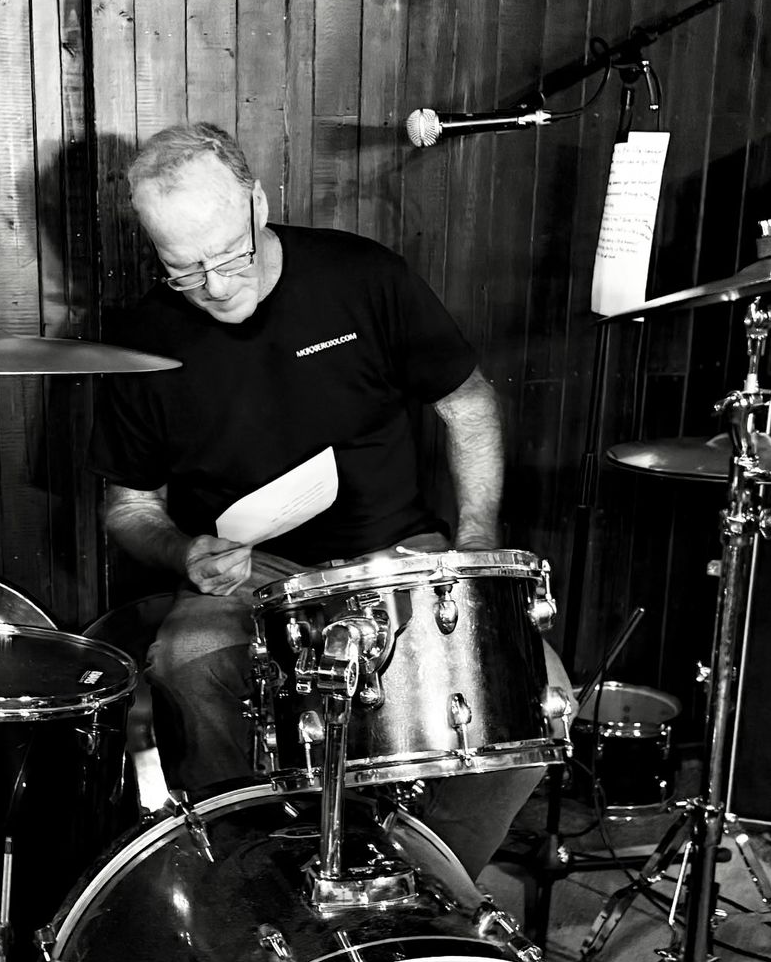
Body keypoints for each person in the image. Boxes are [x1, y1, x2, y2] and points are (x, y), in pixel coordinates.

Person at [89, 121, 566, 881]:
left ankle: (422, 889)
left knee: (536, 702)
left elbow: (468, 404)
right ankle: (257, 884)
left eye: (231, 255)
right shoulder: (141, 341)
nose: (217, 286)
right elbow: (130, 506)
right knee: (185, 663)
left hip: (396, 557)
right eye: (184, 270)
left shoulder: (361, 277)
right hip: (255, 574)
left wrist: (475, 539)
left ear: (258, 203)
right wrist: (184, 552)